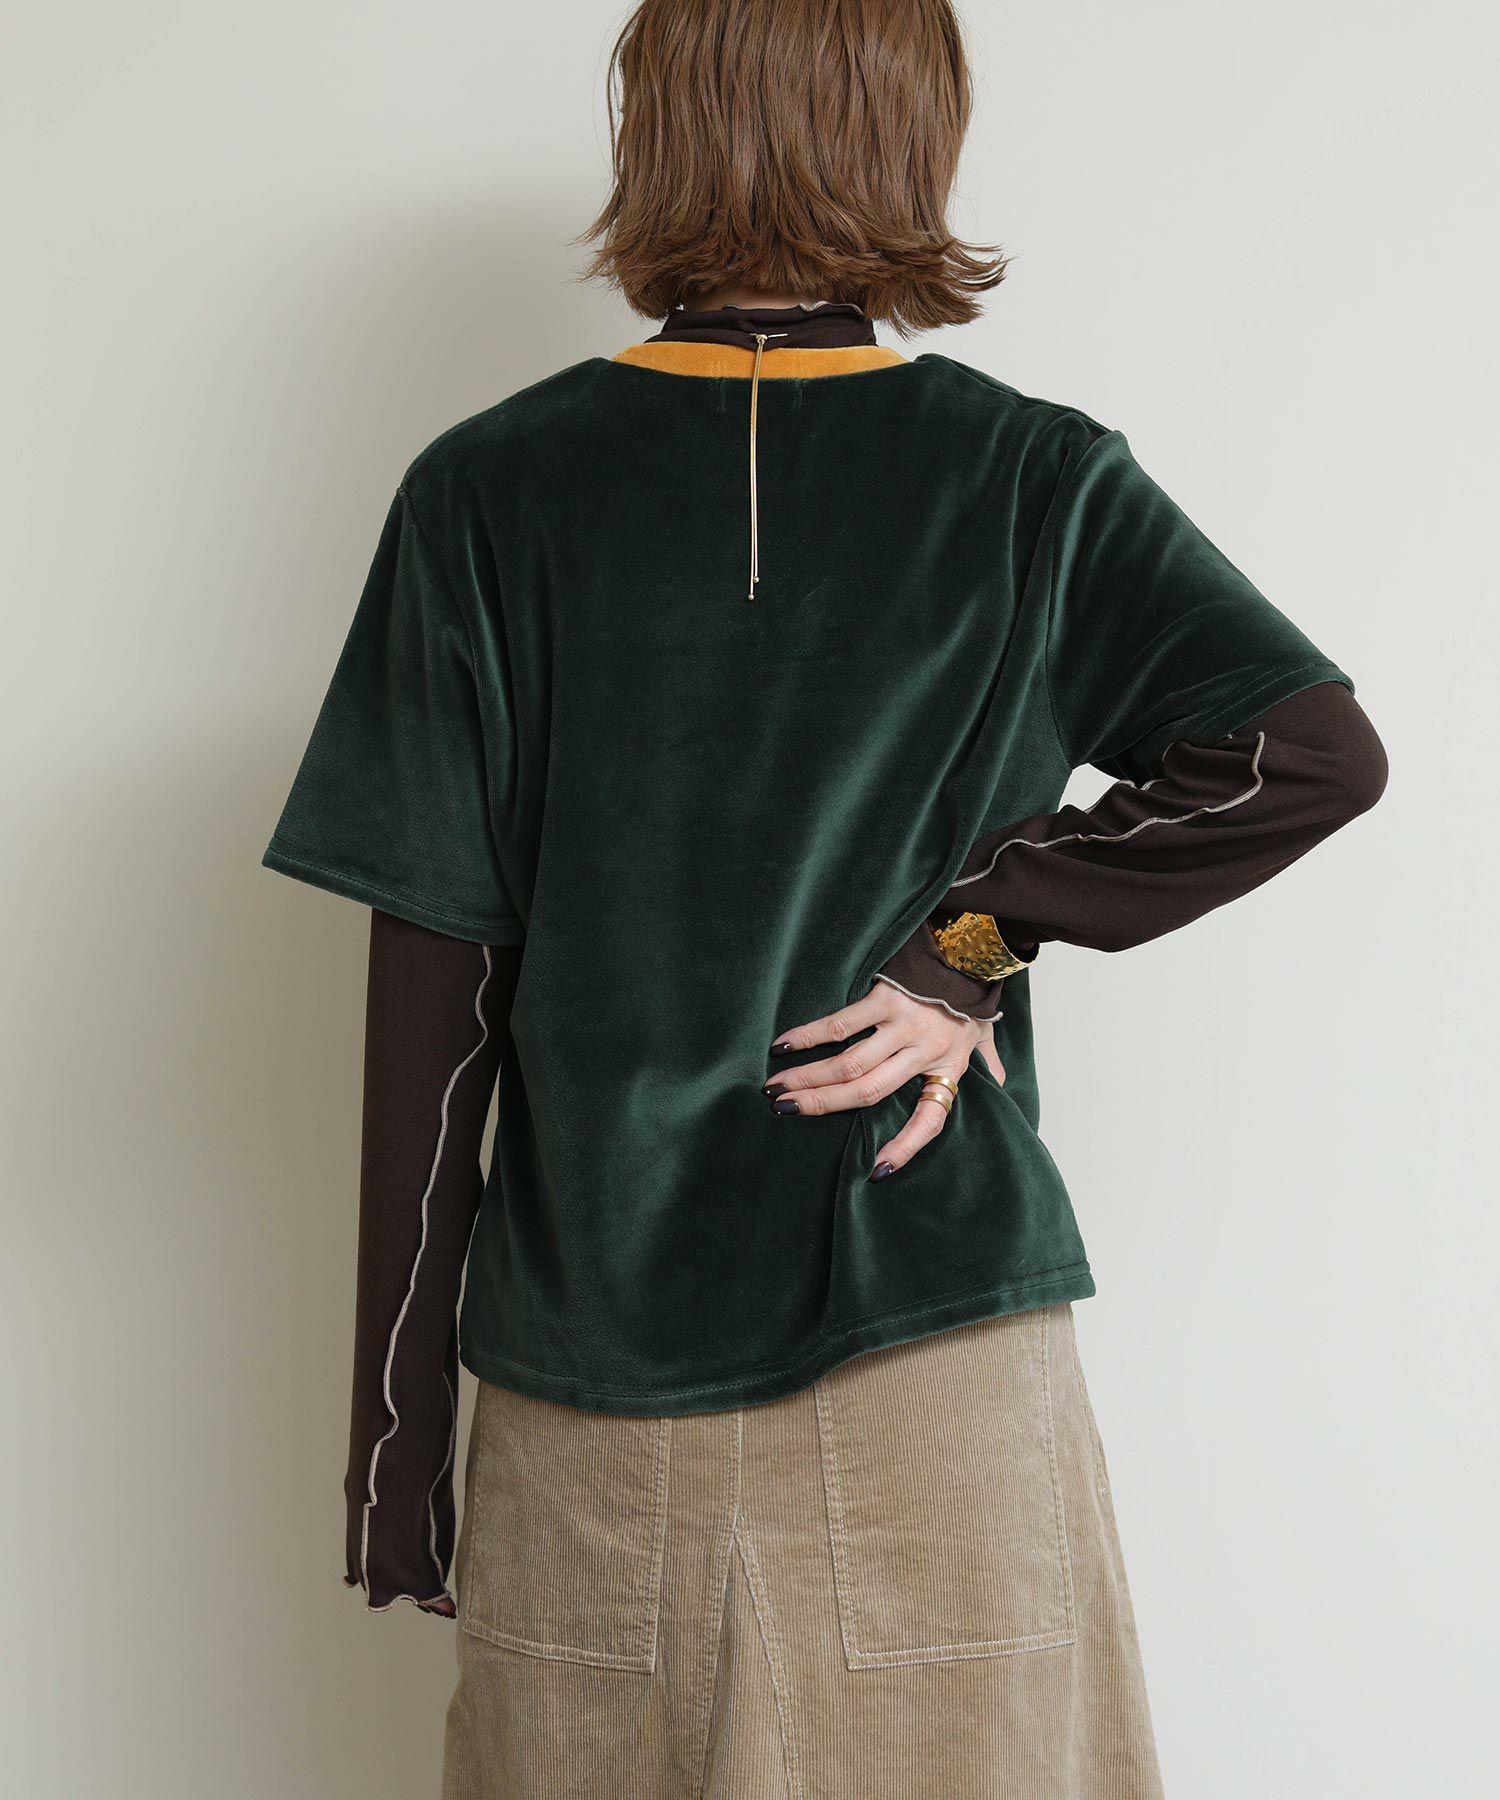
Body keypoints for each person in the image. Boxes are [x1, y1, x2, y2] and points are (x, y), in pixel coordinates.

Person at [260, 2, 1387, 1794]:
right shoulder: (1032, 477)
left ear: (654, 126)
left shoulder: (486, 492)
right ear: (913, 134)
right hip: (935, 1348)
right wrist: (970, 943)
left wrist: (395, 1437)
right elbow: (1307, 752)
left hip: (590, 1373)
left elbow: (440, 995)